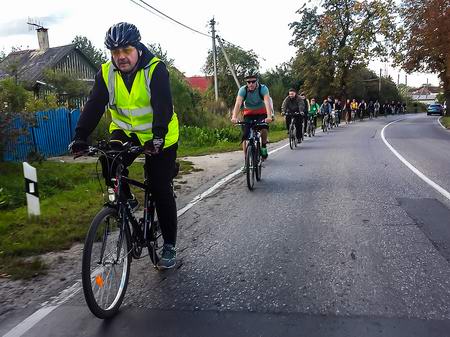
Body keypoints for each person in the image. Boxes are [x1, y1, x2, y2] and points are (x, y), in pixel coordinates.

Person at [68, 22, 180, 270]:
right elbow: (95, 105)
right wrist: (80, 137)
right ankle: (125, 201)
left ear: (138, 47)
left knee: (159, 186)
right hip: (126, 131)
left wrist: (158, 136)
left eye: (126, 50)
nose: (120, 57)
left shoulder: (155, 69)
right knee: (108, 159)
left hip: (160, 134)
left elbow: (163, 106)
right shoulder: (106, 73)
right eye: (115, 52)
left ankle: (170, 245)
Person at [231, 71, 273, 160]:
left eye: (253, 82)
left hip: (261, 113)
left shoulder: (263, 88)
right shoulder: (243, 90)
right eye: (248, 82)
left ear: (257, 81)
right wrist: (234, 116)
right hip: (248, 114)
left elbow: (267, 101)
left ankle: (264, 146)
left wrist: (269, 116)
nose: (251, 84)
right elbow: (238, 103)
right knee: (245, 135)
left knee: (264, 128)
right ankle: (246, 159)